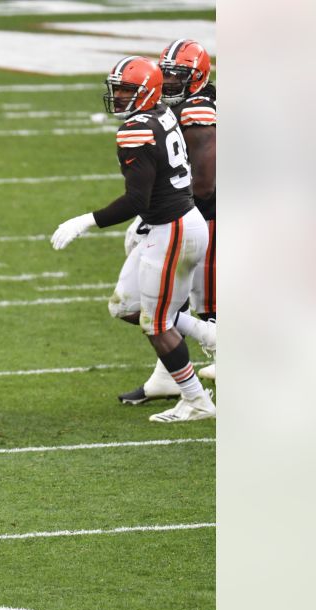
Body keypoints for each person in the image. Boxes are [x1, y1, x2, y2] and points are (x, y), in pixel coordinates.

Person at [50, 56, 216, 423]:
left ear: (147, 92)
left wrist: (86, 220)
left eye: (127, 90)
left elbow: (136, 201)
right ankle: (208, 334)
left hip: (173, 229)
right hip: (172, 224)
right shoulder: (163, 113)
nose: (119, 96)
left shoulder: (136, 130)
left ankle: (196, 400)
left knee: (155, 324)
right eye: (118, 89)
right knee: (125, 306)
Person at [118, 39, 218, 404]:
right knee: (164, 303)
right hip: (190, 213)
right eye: (168, 75)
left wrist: (159, 214)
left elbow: (204, 185)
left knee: (188, 304)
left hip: (204, 215)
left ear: (197, 77)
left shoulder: (197, 112)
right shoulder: (188, 106)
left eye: (180, 76)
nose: (171, 83)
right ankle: (168, 377)